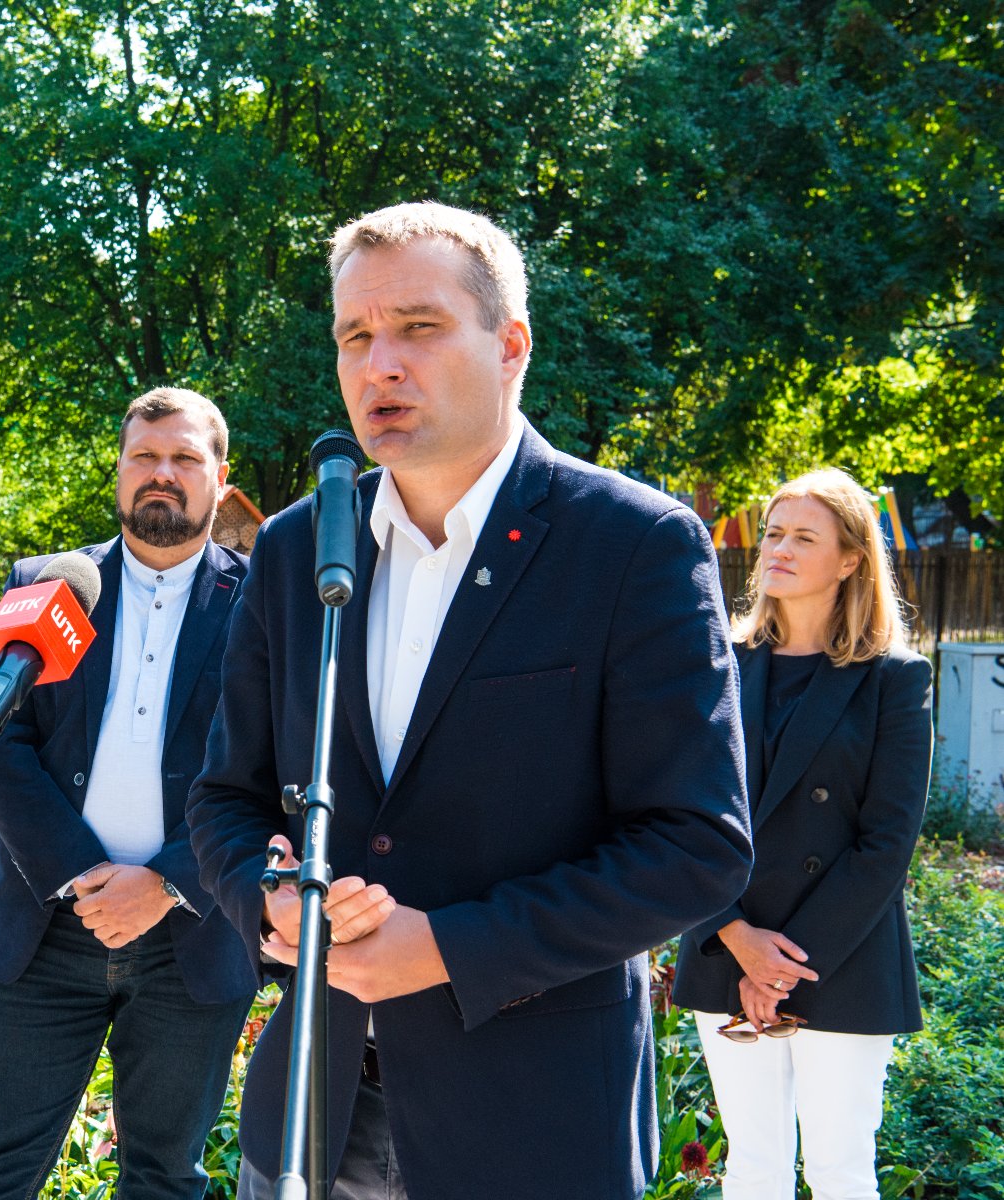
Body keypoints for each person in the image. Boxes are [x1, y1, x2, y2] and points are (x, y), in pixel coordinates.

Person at [186, 201, 756, 1200]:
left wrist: (450, 948)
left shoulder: (633, 547)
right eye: (355, 336)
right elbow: (223, 799)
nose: (379, 365)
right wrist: (265, 902)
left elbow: (697, 844)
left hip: (530, 1126)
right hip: (311, 1119)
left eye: (418, 326)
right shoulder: (292, 552)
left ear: (512, 345)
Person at [0, 388, 260, 1200]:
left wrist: (164, 883)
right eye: (144, 457)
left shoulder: (266, 607)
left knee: (163, 1178)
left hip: (192, 940)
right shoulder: (50, 585)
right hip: (44, 932)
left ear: (220, 479)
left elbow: (280, 769)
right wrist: (83, 875)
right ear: (117, 473)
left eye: (185, 458)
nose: (163, 473)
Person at [672, 468, 933, 1200]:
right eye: (774, 534)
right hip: (726, 946)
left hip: (839, 956)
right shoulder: (715, 663)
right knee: (750, 1169)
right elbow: (675, 814)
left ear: (850, 559)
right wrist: (734, 937)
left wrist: (780, 964)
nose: (777, 550)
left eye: (802, 537)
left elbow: (886, 843)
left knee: (839, 1169)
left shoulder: (893, 678)